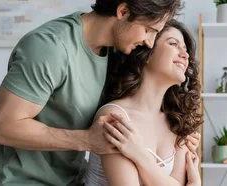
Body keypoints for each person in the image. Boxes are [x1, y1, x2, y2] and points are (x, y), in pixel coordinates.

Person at [0, 0, 201, 185]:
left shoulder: (118, 51)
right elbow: (2, 127)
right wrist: (87, 139)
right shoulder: (50, 47)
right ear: (123, 11)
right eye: (148, 30)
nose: (149, 42)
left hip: (72, 180)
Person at [83, 19, 202, 186]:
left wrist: (139, 156)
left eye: (185, 48)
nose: (185, 54)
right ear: (146, 54)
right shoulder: (115, 117)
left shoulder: (177, 121)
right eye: (173, 43)